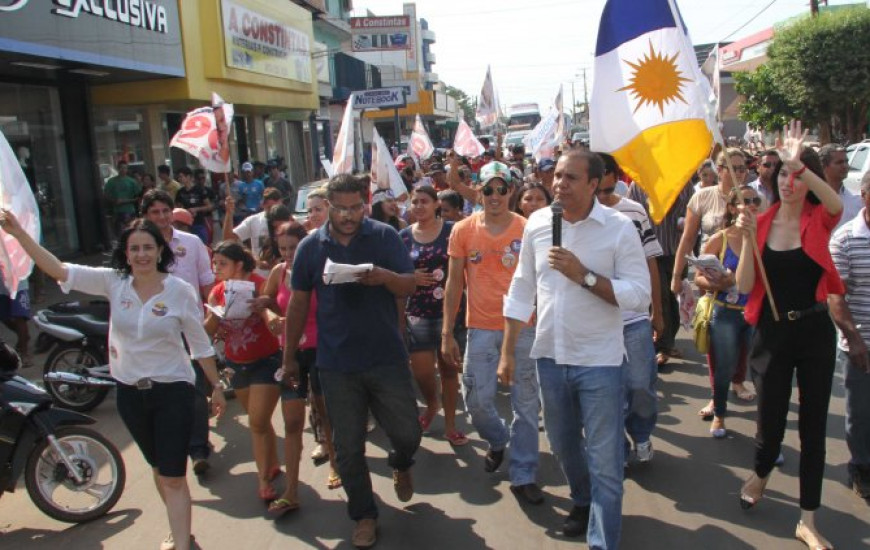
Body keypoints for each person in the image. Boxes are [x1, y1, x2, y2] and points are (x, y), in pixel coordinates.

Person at [0, 212, 225, 550]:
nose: (142, 255)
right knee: (158, 468)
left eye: (148, 247)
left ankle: (182, 544)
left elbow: (199, 343)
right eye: (135, 249)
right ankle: (180, 530)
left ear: (160, 250)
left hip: (173, 393)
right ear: (126, 252)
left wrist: (216, 386)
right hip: (131, 396)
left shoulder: (178, 291)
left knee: (173, 475)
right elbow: (59, 269)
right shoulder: (113, 282)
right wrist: (19, 233)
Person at [498, 150, 650, 548]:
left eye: (570, 178)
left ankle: (603, 541)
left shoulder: (618, 228)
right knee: (565, 446)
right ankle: (582, 502)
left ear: (595, 183)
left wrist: (583, 276)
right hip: (549, 357)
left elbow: (639, 296)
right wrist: (508, 350)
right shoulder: (537, 223)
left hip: (599, 361)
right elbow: (522, 286)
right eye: (557, 176)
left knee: (605, 462)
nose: (558, 184)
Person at [283, 173, 420, 549]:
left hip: (386, 358)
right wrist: (290, 356)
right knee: (347, 448)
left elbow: (408, 284)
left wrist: (385, 277)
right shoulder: (311, 247)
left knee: (408, 433)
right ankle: (363, 515)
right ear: (328, 206)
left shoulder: (385, 236)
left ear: (365, 202)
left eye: (354, 207)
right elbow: (297, 302)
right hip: (336, 364)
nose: (347, 215)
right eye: (340, 208)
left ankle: (400, 461)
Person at [734, 122, 843, 550]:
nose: (789, 182)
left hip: (815, 330)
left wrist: (801, 162)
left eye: (796, 175)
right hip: (772, 334)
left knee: (813, 428)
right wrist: (745, 239)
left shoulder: (820, 217)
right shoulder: (759, 222)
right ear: (772, 179)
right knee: (771, 423)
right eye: (782, 174)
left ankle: (808, 521)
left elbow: (834, 200)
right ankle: (762, 472)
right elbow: (744, 285)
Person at [441, 161, 543, 504]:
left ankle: (524, 473)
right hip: (480, 330)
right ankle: (499, 441)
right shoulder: (462, 231)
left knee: (526, 405)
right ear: (478, 191)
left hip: (524, 329)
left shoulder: (528, 228)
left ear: (511, 191)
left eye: (502, 189)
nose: (495, 196)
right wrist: (446, 333)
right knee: (478, 403)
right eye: (488, 189)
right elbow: (454, 283)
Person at [259, 221, 339, 518]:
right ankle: (291, 490)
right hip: (290, 356)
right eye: (283, 249)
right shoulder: (279, 272)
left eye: (294, 247)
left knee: (324, 411)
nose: (290, 254)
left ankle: (335, 463)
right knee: (292, 422)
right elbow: (265, 300)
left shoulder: (320, 271)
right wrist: (269, 315)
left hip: (321, 352)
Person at [141, 190, 216, 475]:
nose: (160, 217)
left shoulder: (191, 242)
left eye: (165, 211)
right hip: (153, 333)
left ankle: (198, 449)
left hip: (190, 327)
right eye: (154, 212)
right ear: (146, 215)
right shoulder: (139, 246)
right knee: (162, 393)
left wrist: (213, 314)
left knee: (195, 390)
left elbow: (207, 282)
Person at [672, 149, 756, 403]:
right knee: (713, 333)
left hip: (745, 272)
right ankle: (715, 392)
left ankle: (738, 380)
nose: (739, 173)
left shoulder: (752, 197)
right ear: (719, 169)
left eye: (743, 168)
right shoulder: (702, 198)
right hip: (710, 273)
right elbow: (687, 238)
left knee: (743, 331)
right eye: (733, 167)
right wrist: (677, 275)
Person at [595, 153, 663, 464]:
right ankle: (617, 446)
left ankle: (642, 433)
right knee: (608, 393)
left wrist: (657, 313)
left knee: (641, 386)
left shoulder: (634, 213)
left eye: (607, 191)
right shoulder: (570, 218)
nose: (602, 198)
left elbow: (650, 263)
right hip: (595, 322)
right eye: (596, 193)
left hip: (634, 317)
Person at [204, 241, 282, 502]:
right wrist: (215, 317)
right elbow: (209, 332)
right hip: (237, 364)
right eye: (214, 263)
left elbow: (275, 314)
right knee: (259, 421)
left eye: (222, 263)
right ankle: (271, 462)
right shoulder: (217, 292)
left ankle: (263, 482)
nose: (216, 268)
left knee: (256, 422)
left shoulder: (260, 285)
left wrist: (264, 311)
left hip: (267, 360)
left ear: (239, 265)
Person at [399, 186, 466, 447]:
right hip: (416, 313)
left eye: (424, 201)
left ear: (436, 203)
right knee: (422, 371)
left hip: (449, 312)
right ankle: (431, 403)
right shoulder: (403, 237)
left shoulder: (452, 231)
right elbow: (395, 274)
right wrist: (410, 278)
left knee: (449, 371)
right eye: (414, 202)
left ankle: (450, 425)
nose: (418, 206)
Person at [694, 185, 761, 438]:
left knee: (762, 372)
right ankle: (720, 415)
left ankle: (765, 429)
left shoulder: (765, 236)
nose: (753, 204)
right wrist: (716, 283)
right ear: (733, 208)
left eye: (756, 200)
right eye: (746, 201)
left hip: (755, 313)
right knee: (723, 369)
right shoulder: (719, 239)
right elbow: (699, 278)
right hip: (726, 314)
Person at [828, 170, 870, 500]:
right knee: (861, 414)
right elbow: (835, 296)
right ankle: (861, 466)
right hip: (861, 346)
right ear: (865, 197)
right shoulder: (845, 239)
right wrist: (854, 339)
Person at [629, 181, 694, 367]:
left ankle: (669, 340)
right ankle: (661, 346)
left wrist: (682, 220)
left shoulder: (683, 180)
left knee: (674, 297)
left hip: (675, 250)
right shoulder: (638, 183)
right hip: (649, 253)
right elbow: (629, 213)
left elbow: (690, 213)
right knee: (660, 297)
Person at [222, 187, 284, 274]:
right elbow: (228, 239)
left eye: (277, 208)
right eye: (269, 208)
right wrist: (229, 213)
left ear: (281, 203)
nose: (273, 212)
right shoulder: (253, 221)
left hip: (284, 277)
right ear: (262, 205)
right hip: (261, 277)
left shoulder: (290, 221)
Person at [819, 143, 861, 230]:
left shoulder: (857, 200)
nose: (846, 166)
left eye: (846, 161)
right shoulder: (812, 198)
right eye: (839, 162)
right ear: (823, 166)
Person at [175, 166, 213, 246]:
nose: (180, 179)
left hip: (199, 222)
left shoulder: (199, 190)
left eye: (181, 176)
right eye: (178, 177)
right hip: (185, 225)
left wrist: (196, 209)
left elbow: (209, 206)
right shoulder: (180, 192)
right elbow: (177, 208)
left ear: (188, 176)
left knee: (203, 245)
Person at [104, 160, 141, 236]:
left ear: (127, 169)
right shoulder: (111, 181)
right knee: (119, 233)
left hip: (129, 210)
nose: (123, 170)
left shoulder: (132, 181)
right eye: (121, 168)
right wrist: (114, 201)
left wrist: (126, 201)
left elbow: (138, 197)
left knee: (131, 231)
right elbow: (106, 195)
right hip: (117, 211)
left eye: (125, 168)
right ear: (118, 169)